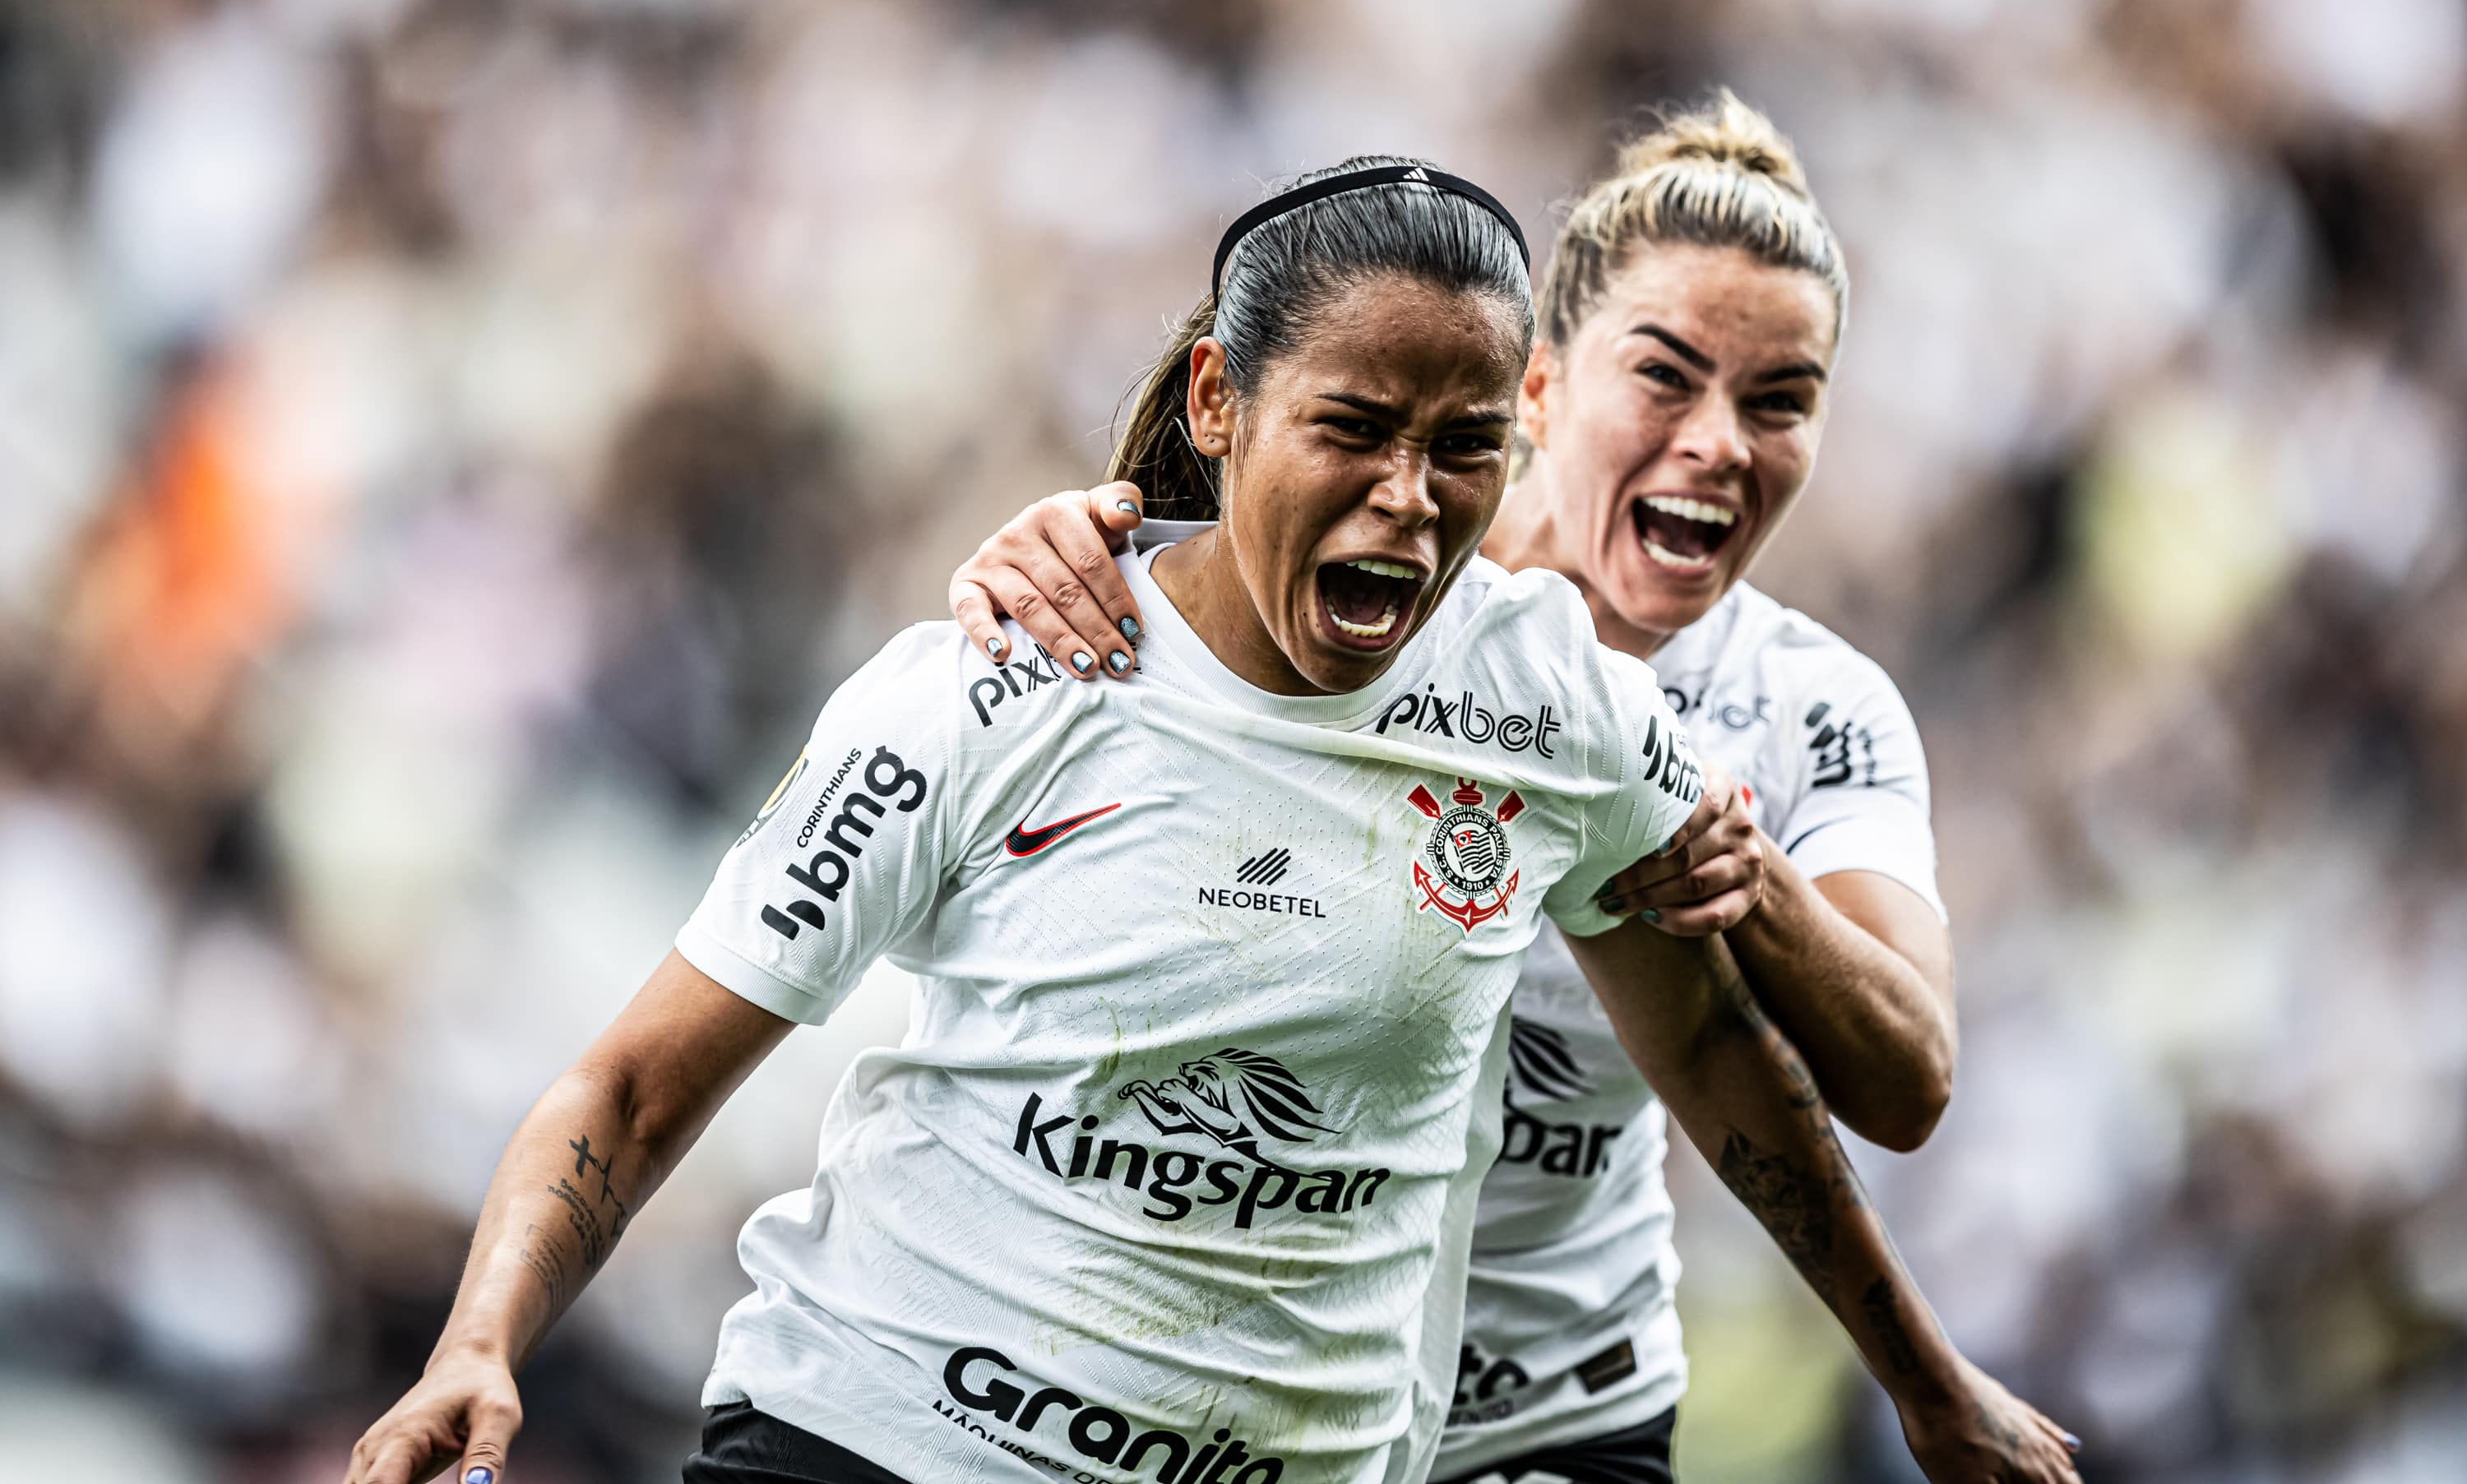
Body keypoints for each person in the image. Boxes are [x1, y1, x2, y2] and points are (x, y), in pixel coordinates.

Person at [344, 155, 2070, 1484]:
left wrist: (1920, 1375)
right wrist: (479, 1341)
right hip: (887, 1440)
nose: (1411, 496)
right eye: (1356, 429)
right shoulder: (998, 675)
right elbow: (632, 1079)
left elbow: (1732, 1058)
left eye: (1460, 447)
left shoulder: (1571, 705)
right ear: (1218, 405)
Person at [949, 95, 2063, 1483]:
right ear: (1536, 390)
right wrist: (1043, 562)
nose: (1721, 441)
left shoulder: (1810, 709)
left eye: (1781, 402)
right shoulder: (1337, 600)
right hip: (1238, 1405)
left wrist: (1745, 876)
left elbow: (1900, 1079)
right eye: (1667, 377)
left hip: (1555, 1414)